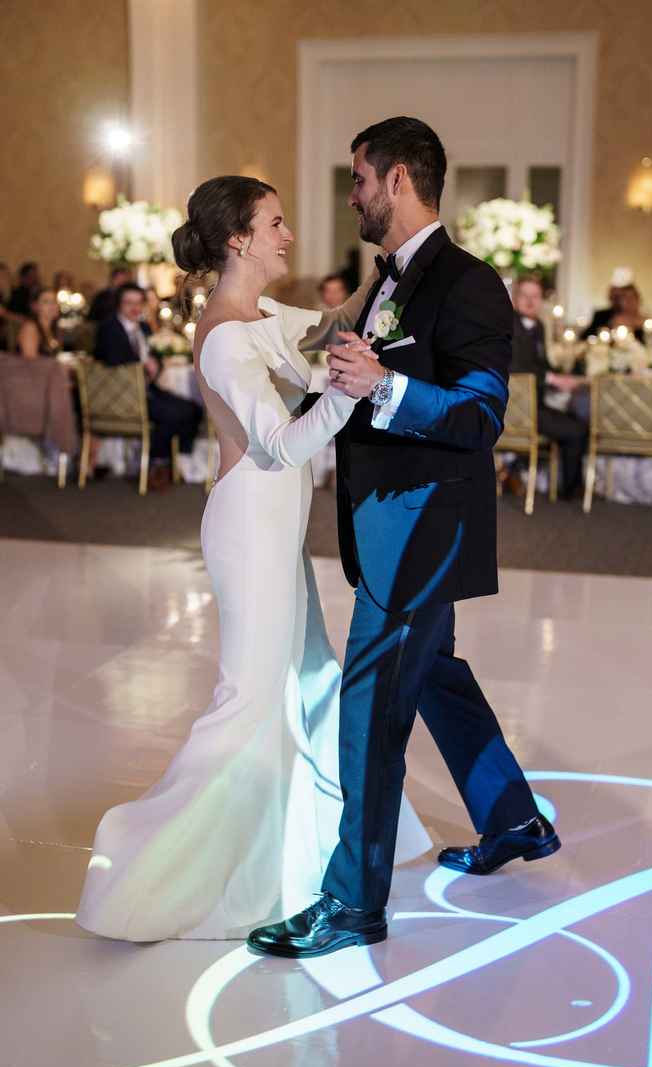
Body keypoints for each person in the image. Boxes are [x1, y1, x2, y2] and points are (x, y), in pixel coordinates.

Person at [75, 175, 430, 942]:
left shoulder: (262, 314)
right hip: (248, 527)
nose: (287, 235)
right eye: (275, 222)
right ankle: (147, 874)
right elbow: (282, 442)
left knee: (314, 679)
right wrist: (347, 388)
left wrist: (389, 272)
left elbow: (328, 324)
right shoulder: (229, 336)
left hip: (276, 526)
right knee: (248, 698)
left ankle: (360, 841)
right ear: (238, 239)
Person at [249, 117, 560, 961]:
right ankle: (513, 816)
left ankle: (353, 902)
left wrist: (386, 386)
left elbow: (482, 415)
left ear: (395, 180)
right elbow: (322, 349)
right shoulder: (380, 282)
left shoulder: (469, 284)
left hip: (423, 530)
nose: (350, 194)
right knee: (435, 679)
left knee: (371, 704)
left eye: (357, 178)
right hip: (387, 525)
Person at [94, 283, 203, 490]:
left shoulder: (143, 327)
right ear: (119, 305)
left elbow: (154, 357)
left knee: (193, 409)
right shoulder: (109, 328)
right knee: (174, 415)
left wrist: (156, 364)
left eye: (138, 303)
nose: (134, 308)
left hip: (148, 390)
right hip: (120, 395)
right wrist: (143, 365)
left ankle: (168, 461)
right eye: (128, 303)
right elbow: (112, 360)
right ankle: (157, 462)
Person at [510, 275, 587, 499]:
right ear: (515, 299)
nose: (531, 301)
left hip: (537, 403)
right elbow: (516, 366)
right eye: (525, 296)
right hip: (519, 410)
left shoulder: (540, 326)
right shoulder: (508, 324)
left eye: (535, 296)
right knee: (577, 430)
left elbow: (541, 365)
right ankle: (570, 492)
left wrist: (565, 375)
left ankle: (566, 485)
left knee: (576, 417)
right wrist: (553, 379)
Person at [17, 287, 62, 358]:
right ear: (35, 306)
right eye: (46, 302)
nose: (53, 305)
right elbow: (30, 363)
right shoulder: (30, 328)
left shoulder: (53, 327)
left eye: (55, 301)